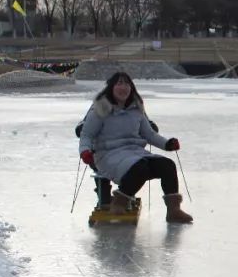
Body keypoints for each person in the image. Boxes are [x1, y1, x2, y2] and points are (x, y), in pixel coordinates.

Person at [78, 72, 193, 223]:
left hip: (135, 153)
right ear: (111, 88)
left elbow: (149, 134)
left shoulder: (136, 109)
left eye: (127, 84)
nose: (123, 88)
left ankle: (174, 211)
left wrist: (167, 144)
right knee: (141, 168)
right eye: (119, 84)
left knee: (167, 165)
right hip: (108, 155)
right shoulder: (100, 109)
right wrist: (85, 151)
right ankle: (119, 203)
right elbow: (86, 134)